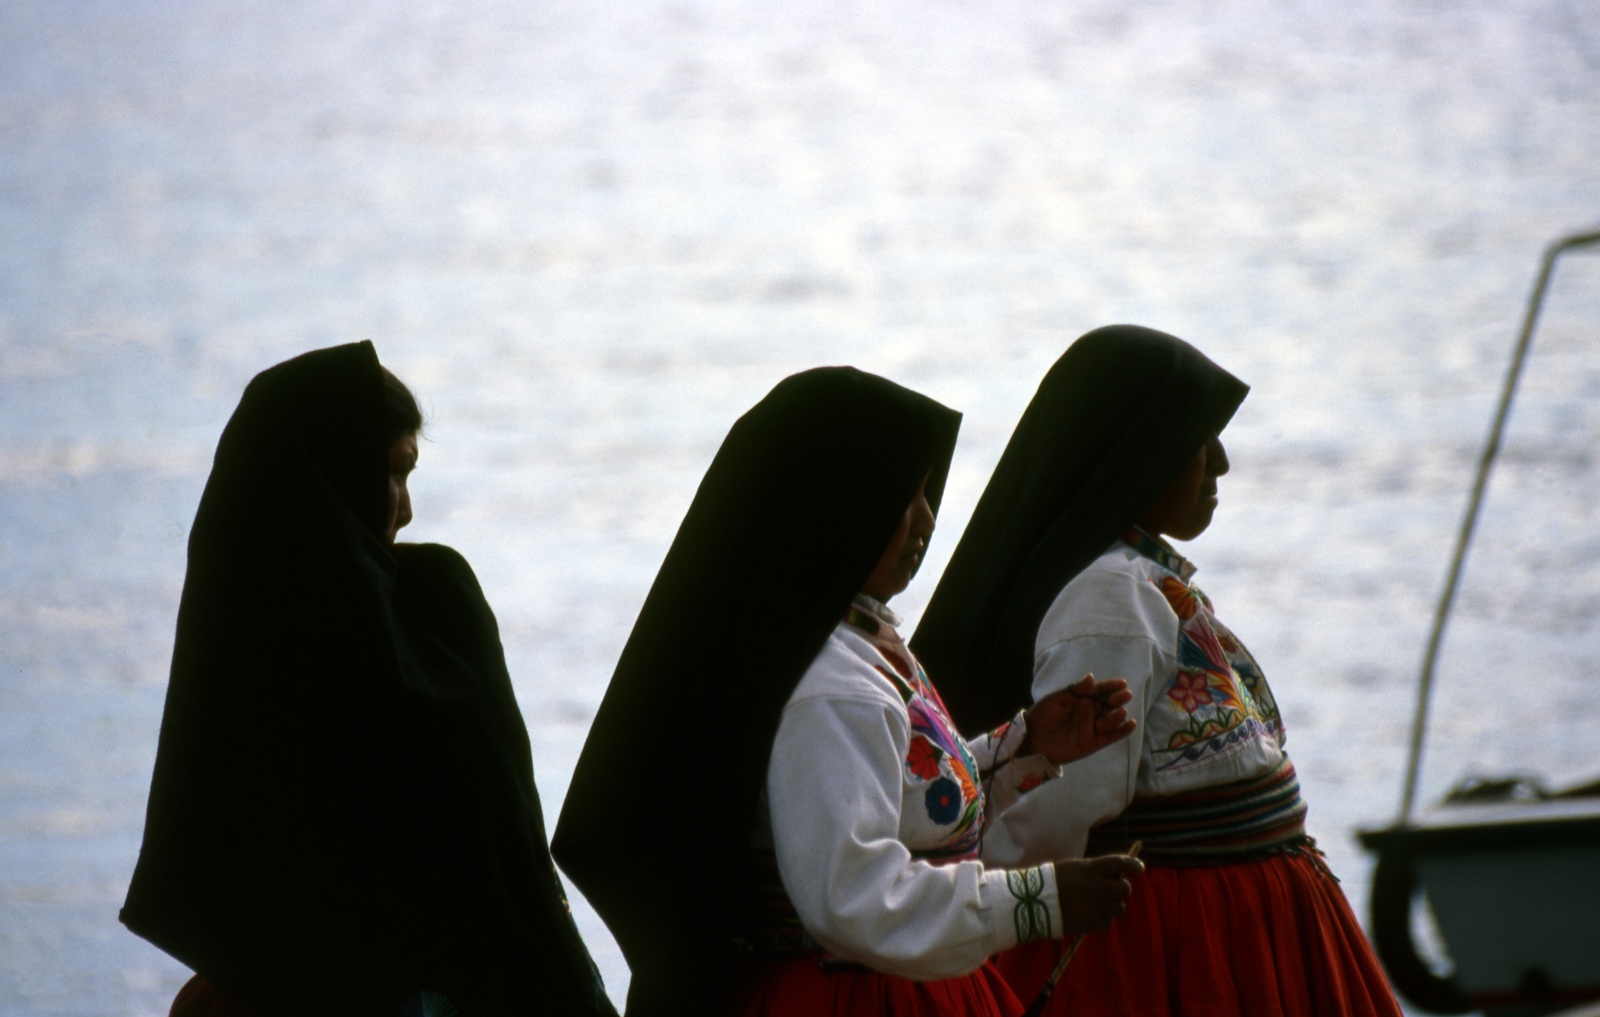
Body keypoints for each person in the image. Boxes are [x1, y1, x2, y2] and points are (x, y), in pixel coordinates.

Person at [551, 366, 1144, 1017]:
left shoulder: (856, 640)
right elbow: (853, 894)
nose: (925, 520)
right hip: (858, 995)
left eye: (927, 495)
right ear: (835, 503)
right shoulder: (831, 687)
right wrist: (1040, 900)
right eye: (901, 498)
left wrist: (1022, 748)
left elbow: (903, 807)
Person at [911, 326, 1402, 1016]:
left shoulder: (1143, 582)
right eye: (1199, 439)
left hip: (1231, 920)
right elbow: (1060, 810)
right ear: (1136, 454)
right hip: (1182, 943)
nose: (1220, 461)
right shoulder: (1108, 598)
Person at [121, 342, 616, 1017]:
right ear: (336, 476)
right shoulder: (431, 617)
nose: (405, 509)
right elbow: (508, 859)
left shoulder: (236, 659)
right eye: (394, 473)